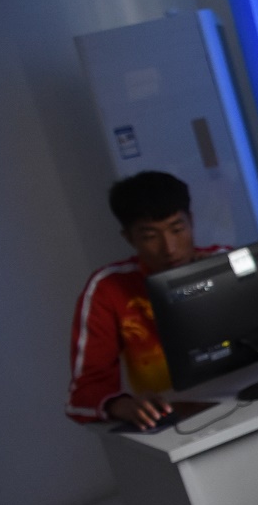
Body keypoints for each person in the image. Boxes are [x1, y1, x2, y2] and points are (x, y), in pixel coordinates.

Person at [67, 171, 227, 430]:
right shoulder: (109, 288)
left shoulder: (225, 261)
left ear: (191, 221)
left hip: (250, 397)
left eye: (177, 229)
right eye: (150, 237)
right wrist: (122, 405)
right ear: (129, 238)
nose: (169, 248)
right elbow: (83, 394)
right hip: (178, 423)